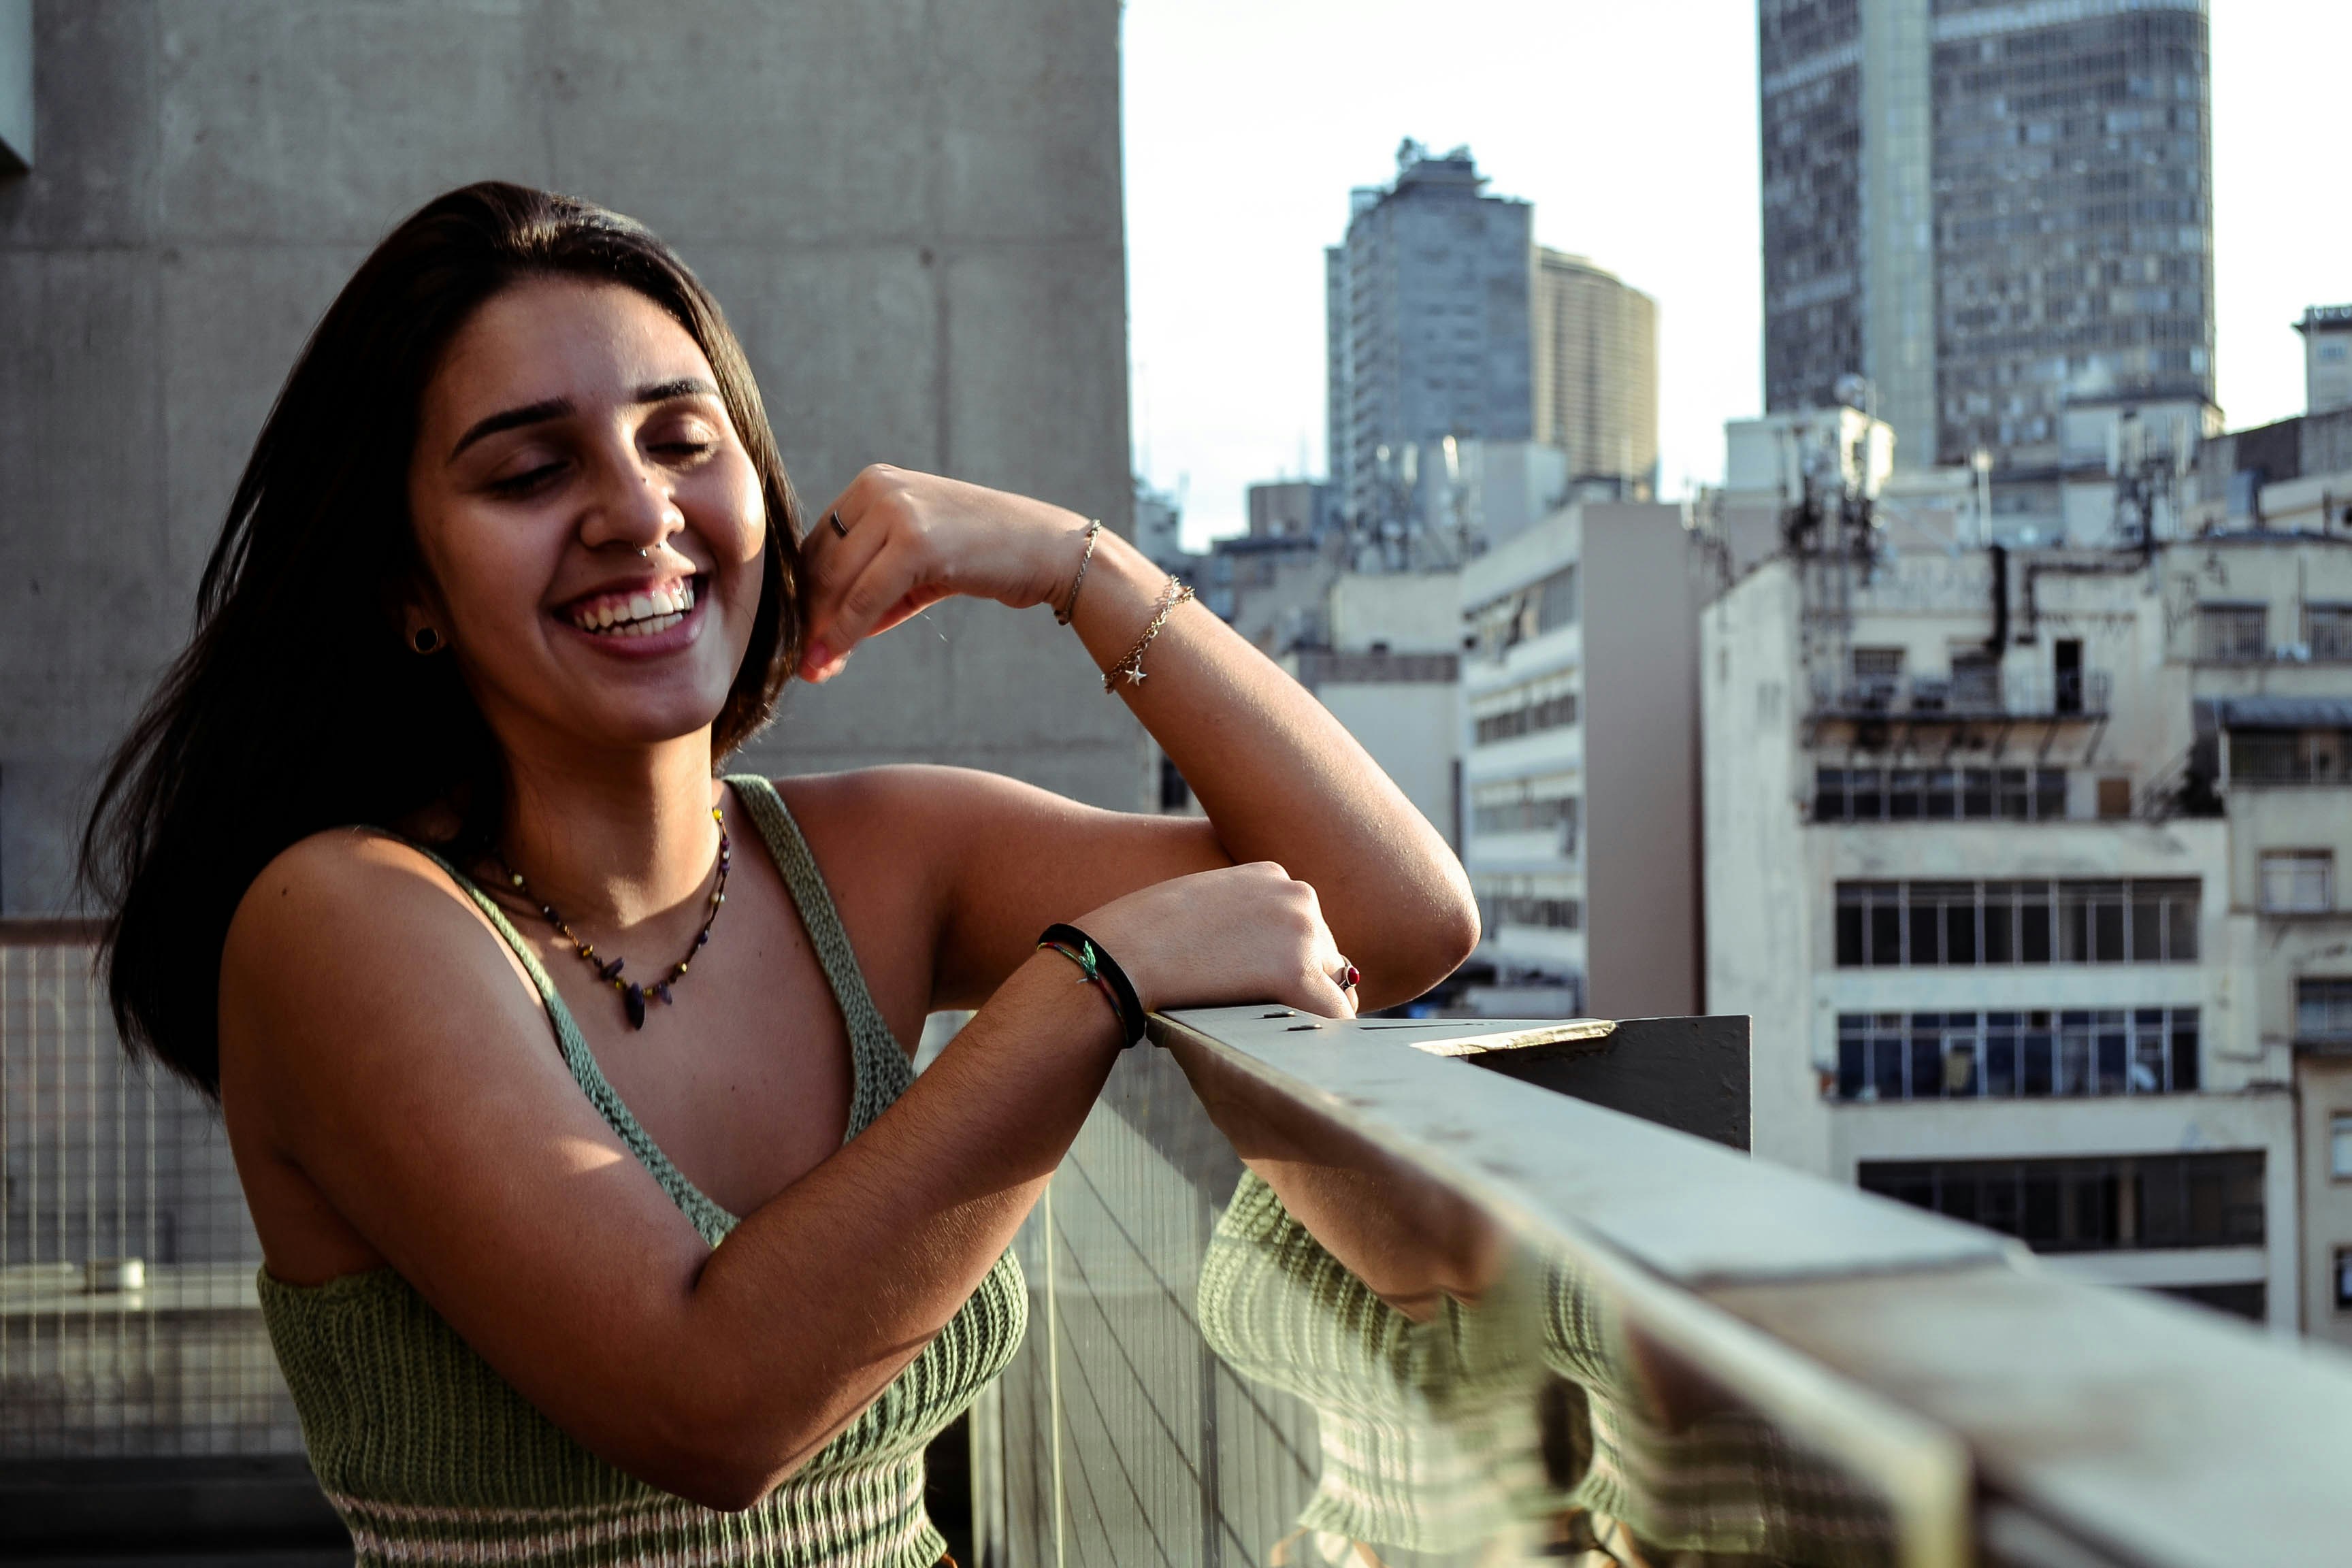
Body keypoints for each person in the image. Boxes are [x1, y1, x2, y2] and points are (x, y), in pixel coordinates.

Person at [80, 182, 1478, 1566]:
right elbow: (712, 1410)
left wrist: (1081, 567)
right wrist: (1091, 987)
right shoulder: (340, 921)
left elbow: (1397, 918)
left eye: (682, 441)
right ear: (409, 587)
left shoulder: (869, 856)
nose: (638, 511)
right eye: (528, 473)